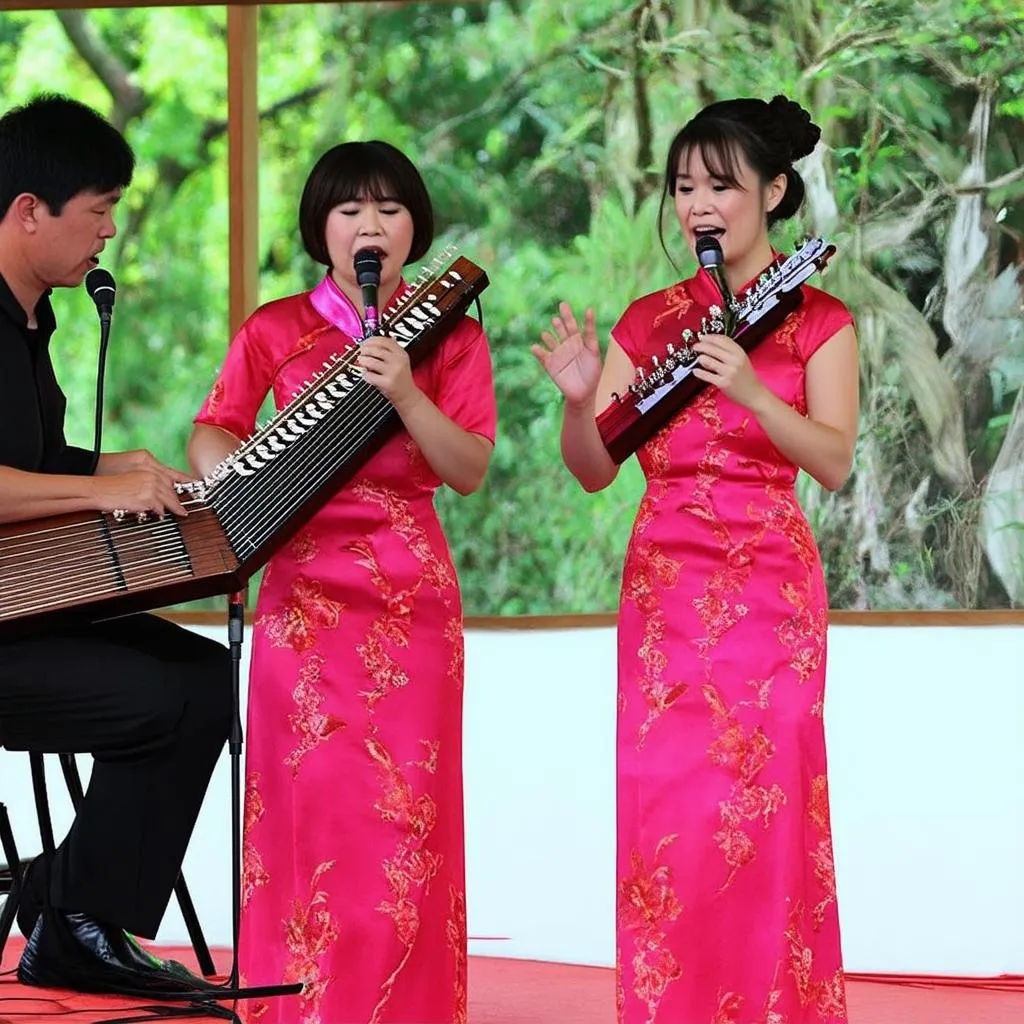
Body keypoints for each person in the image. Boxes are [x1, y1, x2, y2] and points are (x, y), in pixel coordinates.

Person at [534, 95, 858, 1023]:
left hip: (771, 593)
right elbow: (596, 469)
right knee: (673, 813)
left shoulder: (821, 319)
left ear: (775, 191)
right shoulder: (650, 322)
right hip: (667, 594)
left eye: (721, 185)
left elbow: (833, 461)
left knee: (769, 808)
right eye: (683, 187)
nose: (698, 205)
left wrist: (753, 390)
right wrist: (577, 397)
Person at [188, 140, 496, 1024]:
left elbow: (468, 467)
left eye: (392, 210)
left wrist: (405, 391)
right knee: (313, 813)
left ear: (415, 228)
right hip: (304, 597)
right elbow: (212, 433)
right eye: (351, 209)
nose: (372, 226)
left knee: (405, 818)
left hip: (412, 601)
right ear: (321, 227)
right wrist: (244, 478)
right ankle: (301, 1005)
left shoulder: (452, 337)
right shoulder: (276, 329)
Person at [0, 95, 231, 995]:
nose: (109, 231)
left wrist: (112, 461)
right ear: (29, 211)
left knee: (206, 681)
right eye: (98, 209)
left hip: (23, 609)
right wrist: (101, 488)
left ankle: (70, 900)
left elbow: (25, 459)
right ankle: (75, 916)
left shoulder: (31, 318)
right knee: (154, 697)